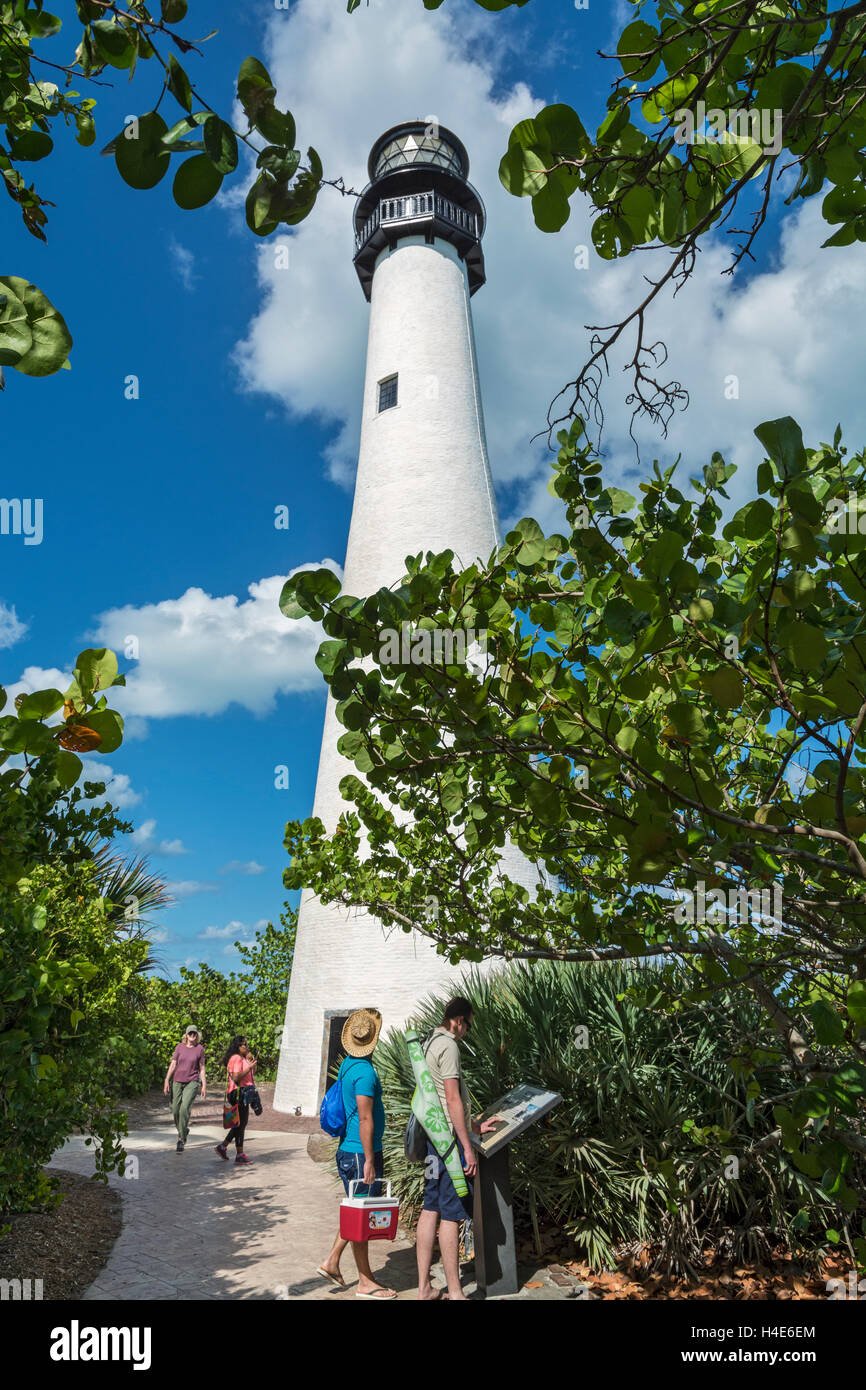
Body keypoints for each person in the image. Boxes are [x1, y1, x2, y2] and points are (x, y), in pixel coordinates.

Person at [416, 996, 500, 1301]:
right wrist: (467, 1146)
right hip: (448, 1142)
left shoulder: (429, 1042)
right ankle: (455, 1292)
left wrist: (475, 1126)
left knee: (430, 1208)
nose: (468, 1030)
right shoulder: (449, 1045)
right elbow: (451, 1098)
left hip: (431, 1137)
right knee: (451, 1214)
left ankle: (424, 1287)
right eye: (469, 1023)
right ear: (459, 1020)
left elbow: (436, 1095)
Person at [316, 1008, 396, 1300]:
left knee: (356, 1210)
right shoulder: (363, 1072)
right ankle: (365, 1282)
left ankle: (332, 1262)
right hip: (360, 1153)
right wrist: (370, 1160)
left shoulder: (350, 1064)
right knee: (361, 1215)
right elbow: (364, 1119)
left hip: (349, 1151)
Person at [215, 1035, 257, 1166]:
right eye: (244, 1044)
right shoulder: (236, 1058)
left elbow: (250, 1075)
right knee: (241, 1123)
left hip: (242, 1093)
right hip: (237, 1093)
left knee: (240, 1123)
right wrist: (249, 1067)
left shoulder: (242, 1058)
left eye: (247, 1043)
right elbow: (237, 1077)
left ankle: (223, 1147)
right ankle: (239, 1154)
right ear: (238, 1047)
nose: (247, 1046)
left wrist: (251, 1064)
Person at [163, 1025, 206, 1153]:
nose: (192, 1035)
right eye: (190, 1033)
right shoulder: (179, 1047)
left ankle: (181, 1139)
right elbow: (173, 1064)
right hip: (177, 1081)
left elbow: (202, 1068)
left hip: (192, 1082)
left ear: (197, 1035)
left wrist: (204, 1084)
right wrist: (166, 1080)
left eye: (194, 1033)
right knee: (175, 1109)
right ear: (186, 1035)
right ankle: (184, 1130)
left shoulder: (199, 1049)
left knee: (184, 1109)